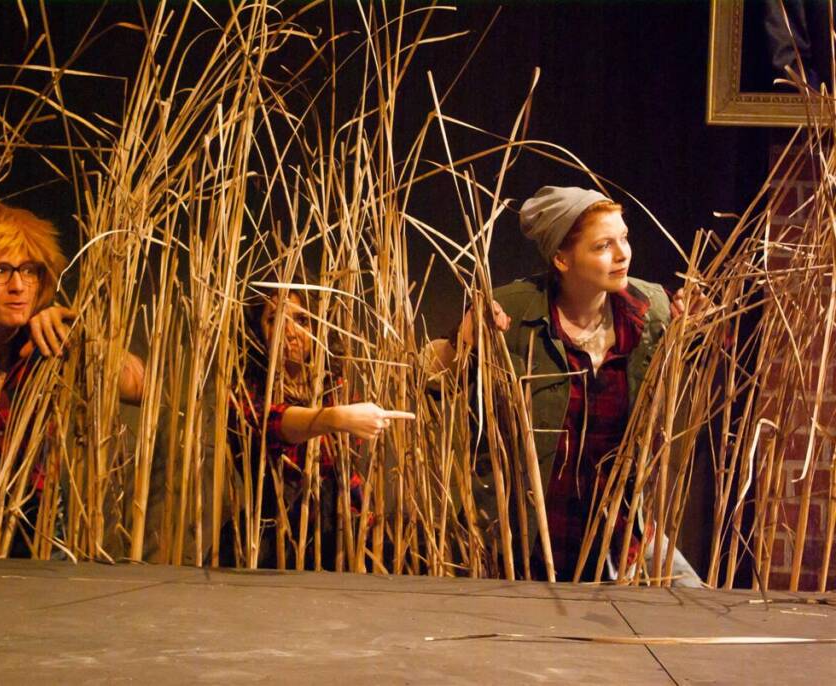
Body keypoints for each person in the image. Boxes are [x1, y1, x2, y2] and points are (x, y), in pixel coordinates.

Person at [429, 186, 701, 585]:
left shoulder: (652, 309)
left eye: (623, 238)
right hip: (530, 537)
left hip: (620, 530)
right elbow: (431, 379)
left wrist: (697, 332)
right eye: (603, 245)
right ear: (561, 258)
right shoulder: (514, 310)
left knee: (690, 601)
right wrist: (463, 341)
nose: (622, 254)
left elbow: (680, 387)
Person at [0, 201, 145, 557]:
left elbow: (144, 388)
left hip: (47, 536)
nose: (19, 285)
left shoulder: (51, 348)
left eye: (30, 270)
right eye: (0, 270)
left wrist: (83, 337)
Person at [220, 288, 414, 570]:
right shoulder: (245, 391)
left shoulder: (334, 387)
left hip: (339, 535)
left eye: (302, 321)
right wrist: (334, 418)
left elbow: (347, 474)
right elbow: (270, 423)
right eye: (274, 320)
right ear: (256, 332)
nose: (291, 332)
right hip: (273, 542)